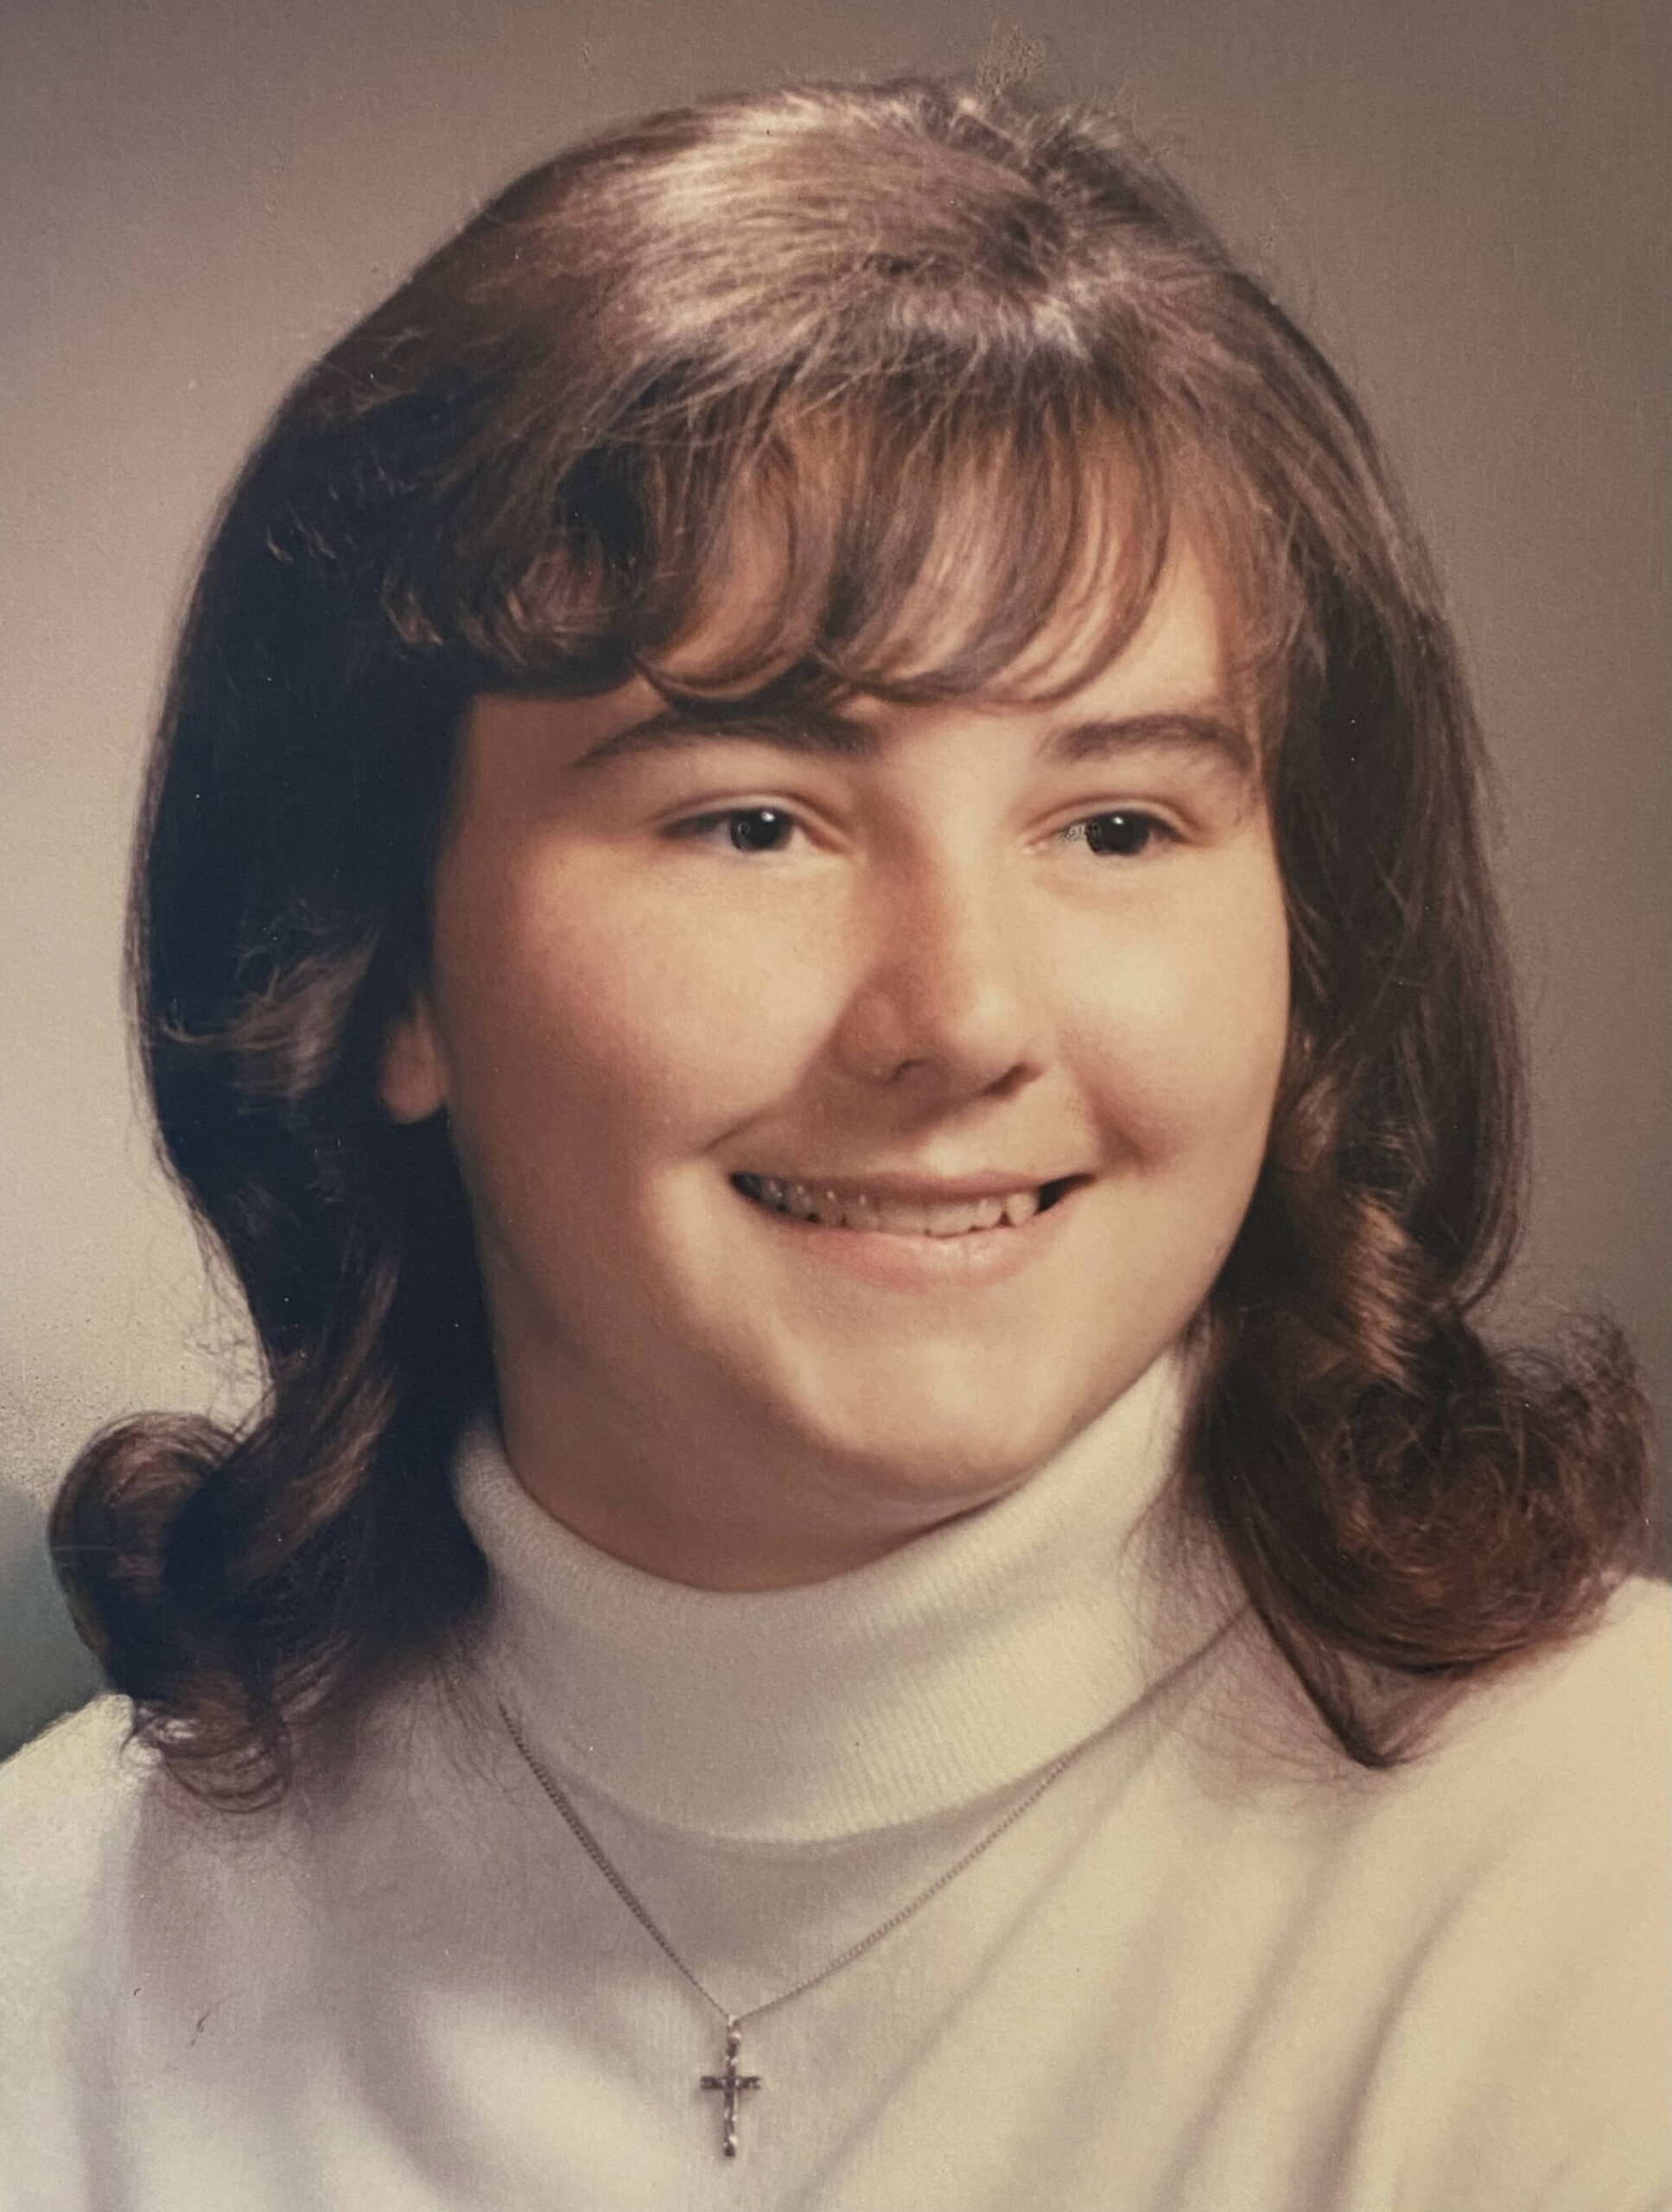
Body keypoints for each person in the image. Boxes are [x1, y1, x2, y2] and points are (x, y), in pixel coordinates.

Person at [0, 77, 1665, 2212]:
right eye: (753, 820)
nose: (958, 1018)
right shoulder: (60, 1956)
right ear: (381, 965)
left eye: (1115, 823)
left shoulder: (1606, 1875)